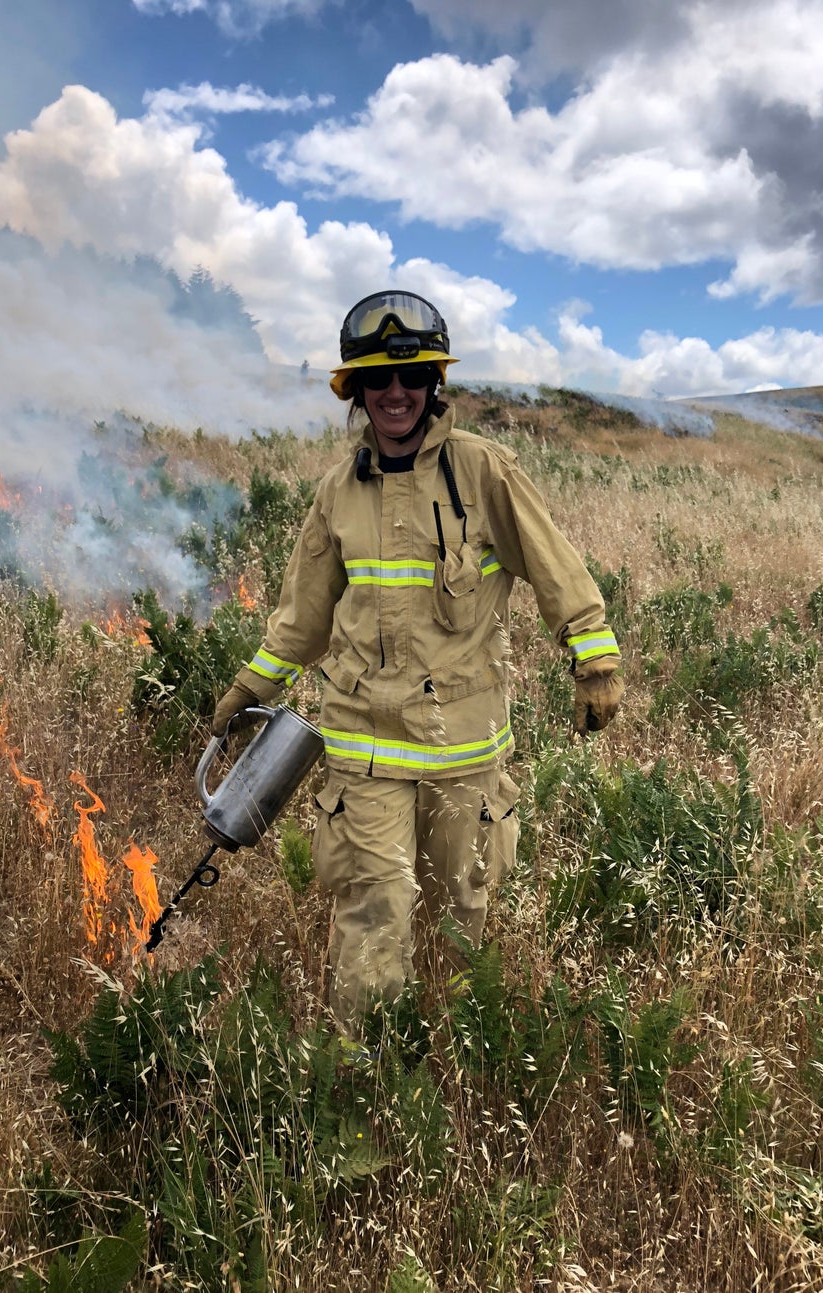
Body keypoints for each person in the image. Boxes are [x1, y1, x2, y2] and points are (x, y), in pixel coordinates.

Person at [211, 290, 623, 1043]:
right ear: (357, 394)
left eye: (411, 378)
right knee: (374, 918)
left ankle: (459, 1073)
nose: (394, 394)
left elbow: (554, 565)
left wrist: (592, 655)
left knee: (462, 917)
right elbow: (302, 616)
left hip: (466, 752)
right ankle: (365, 1080)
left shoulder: (482, 472)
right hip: (364, 748)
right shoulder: (336, 494)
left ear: (434, 384)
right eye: (377, 381)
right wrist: (250, 687)